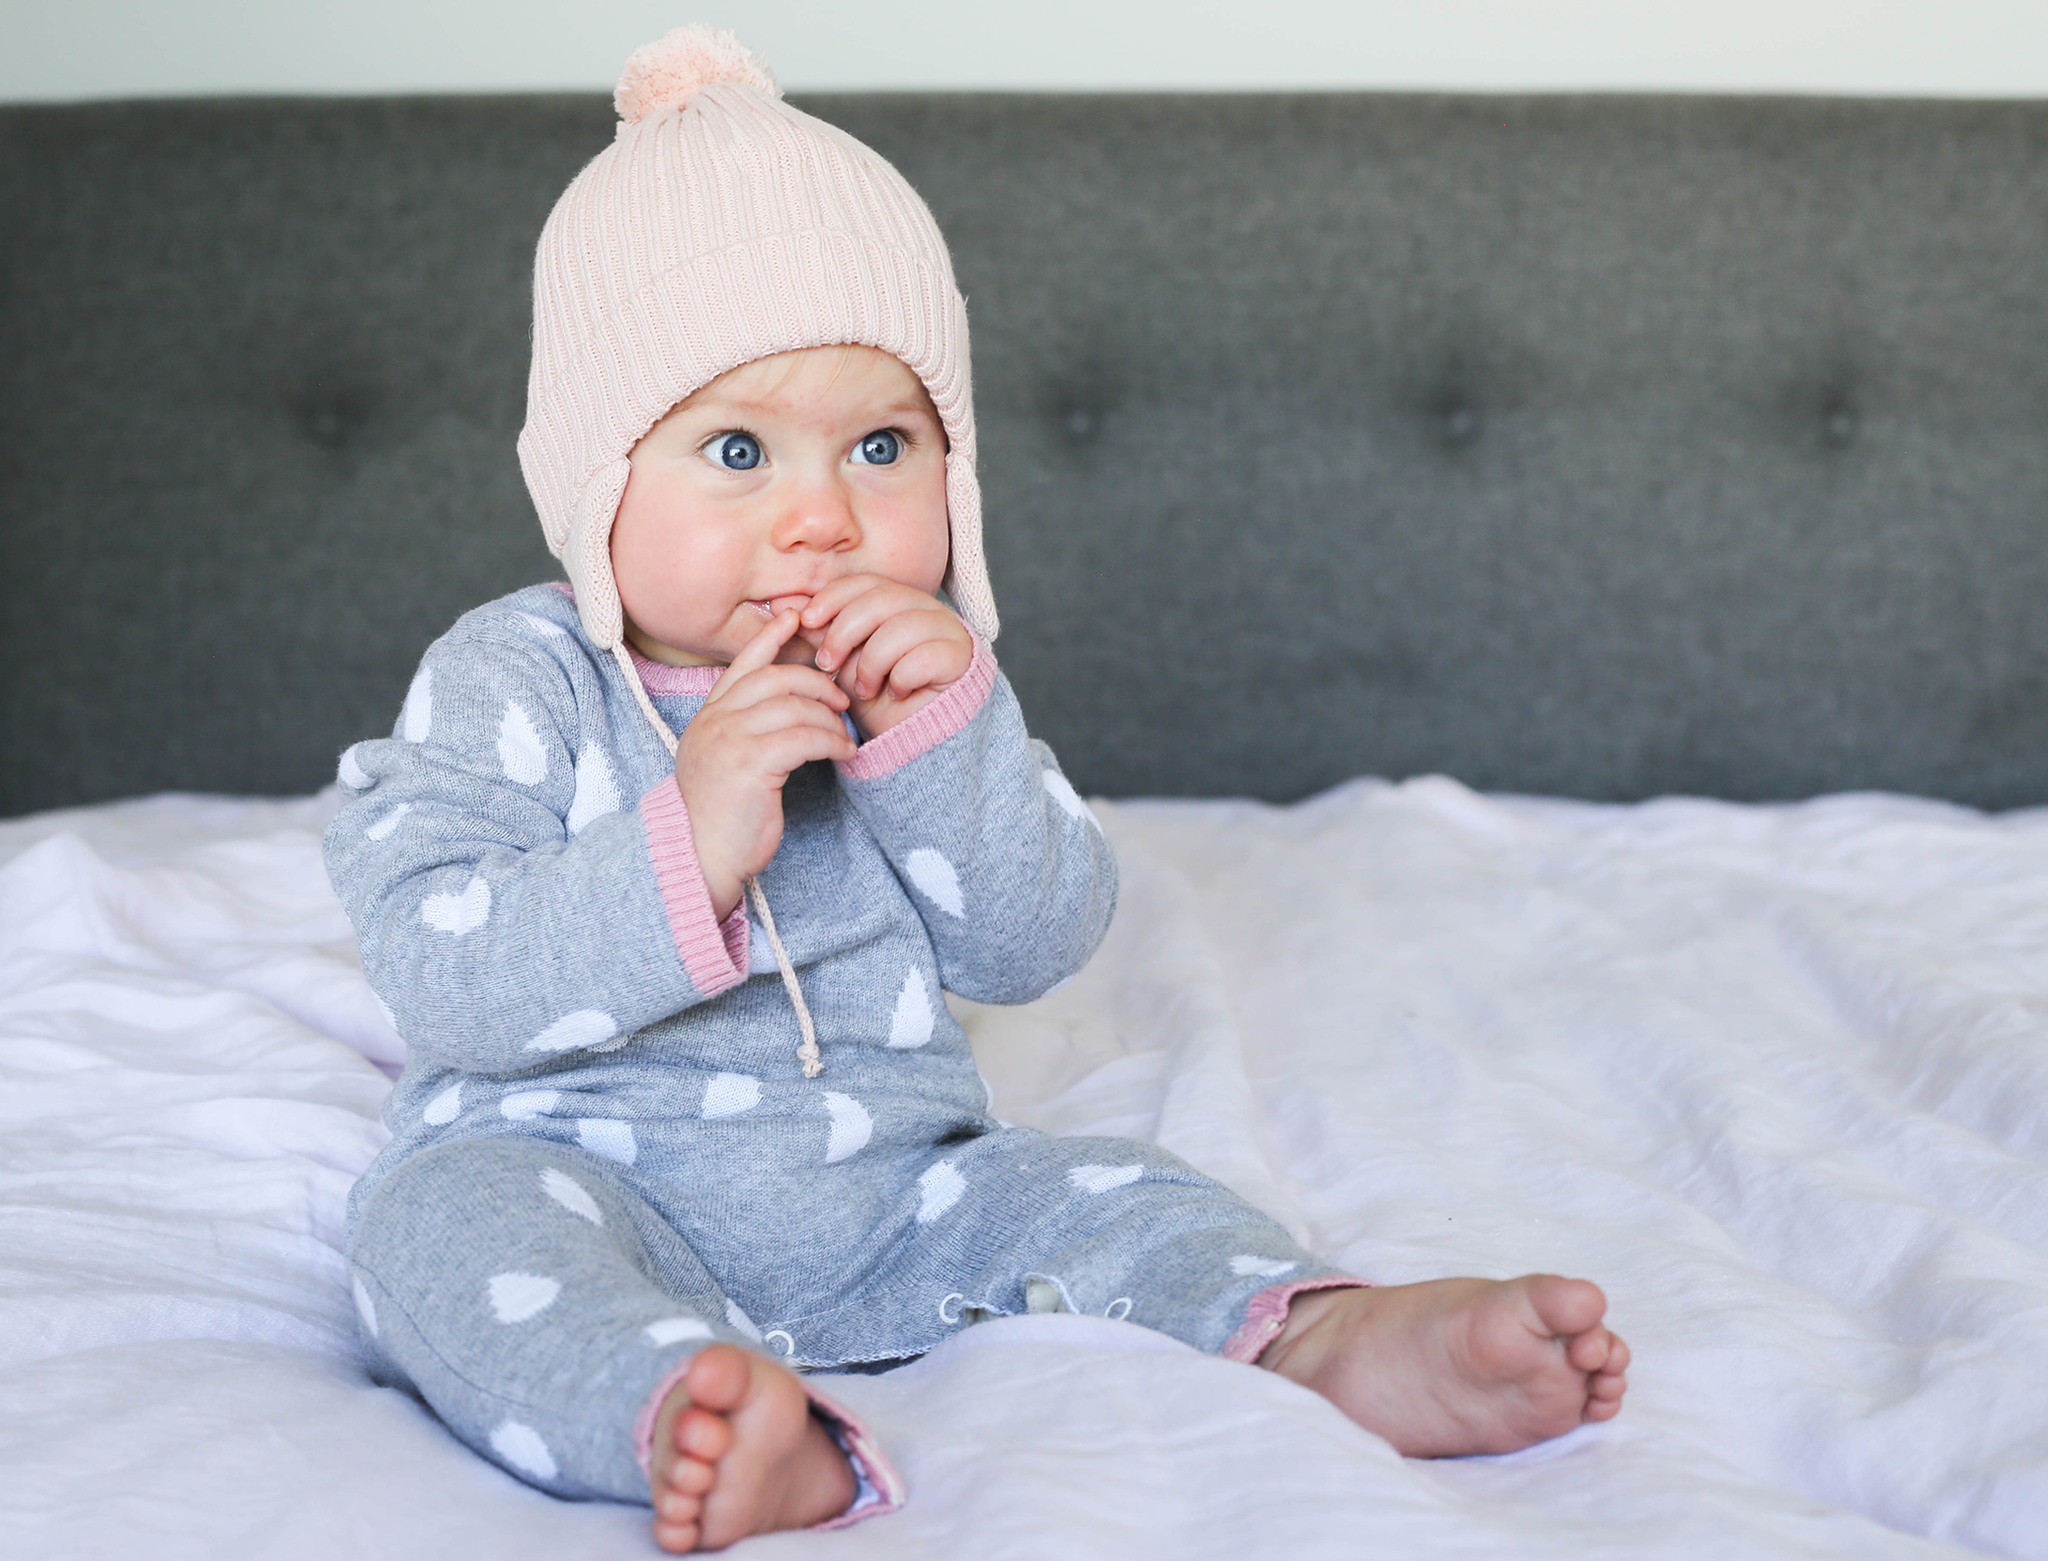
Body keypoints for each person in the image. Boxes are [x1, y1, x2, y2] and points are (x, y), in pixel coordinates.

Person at [325, 26, 1629, 1554]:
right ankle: (684, 1406)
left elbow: (1030, 942)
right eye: (737, 449)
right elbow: (446, 974)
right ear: (599, 483)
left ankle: (1320, 1341)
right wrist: (683, 835)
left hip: (886, 1188)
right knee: (431, 1239)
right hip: (575, 1175)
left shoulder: (928, 683)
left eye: (882, 446)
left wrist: (941, 733)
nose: (822, 519)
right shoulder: (516, 682)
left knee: (1104, 1190)